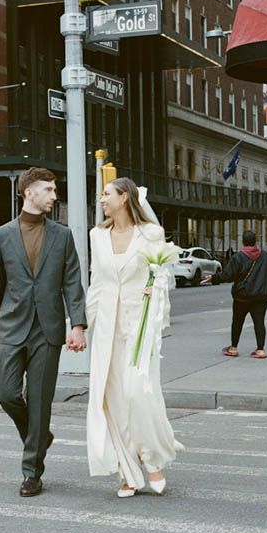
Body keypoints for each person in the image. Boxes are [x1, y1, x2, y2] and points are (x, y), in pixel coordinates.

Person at [0, 167, 87, 498]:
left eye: (54, 190)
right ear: (29, 192)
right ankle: (39, 435)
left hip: (48, 330)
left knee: (40, 402)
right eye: (49, 190)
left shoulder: (62, 235)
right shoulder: (1, 235)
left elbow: (72, 282)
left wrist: (78, 325)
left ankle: (32, 472)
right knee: (6, 393)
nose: (54, 196)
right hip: (12, 328)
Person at [85, 177, 184, 498]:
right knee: (112, 400)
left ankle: (153, 459)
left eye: (106, 194)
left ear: (124, 198)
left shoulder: (150, 234)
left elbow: (162, 277)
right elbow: (96, 282)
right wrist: (83, 325)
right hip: (106, 331)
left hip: (139, 326)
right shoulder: (97, 236)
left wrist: (154, 291)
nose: (101, 199)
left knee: (138, 394)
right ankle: (127, 471)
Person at [204, 230, 267, 358]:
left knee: (237, 322)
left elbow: (228, 275)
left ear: (243, 241)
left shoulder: (238, 257)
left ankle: (233, 348)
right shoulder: (266, 257)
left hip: (242, 297)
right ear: (255, 241)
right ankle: (260, 350)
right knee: (259, 322)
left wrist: (214, 278)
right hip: (259, 297)